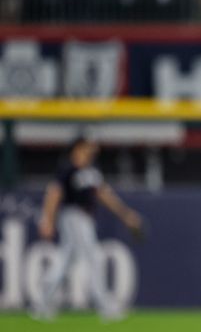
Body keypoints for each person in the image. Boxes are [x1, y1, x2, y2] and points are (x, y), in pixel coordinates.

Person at [34, 137, 142, 321]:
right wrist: (47, 220)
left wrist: (125, 214)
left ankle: (42, 302)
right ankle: (106, 306)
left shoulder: (92, 171)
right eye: (87, 147)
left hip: (85, 218)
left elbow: (105, 195)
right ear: (78, 148)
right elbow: (54, 194)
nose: (92, 150)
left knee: (65, 260)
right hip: (72, 216)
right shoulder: (67, 169)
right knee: (93, 257)